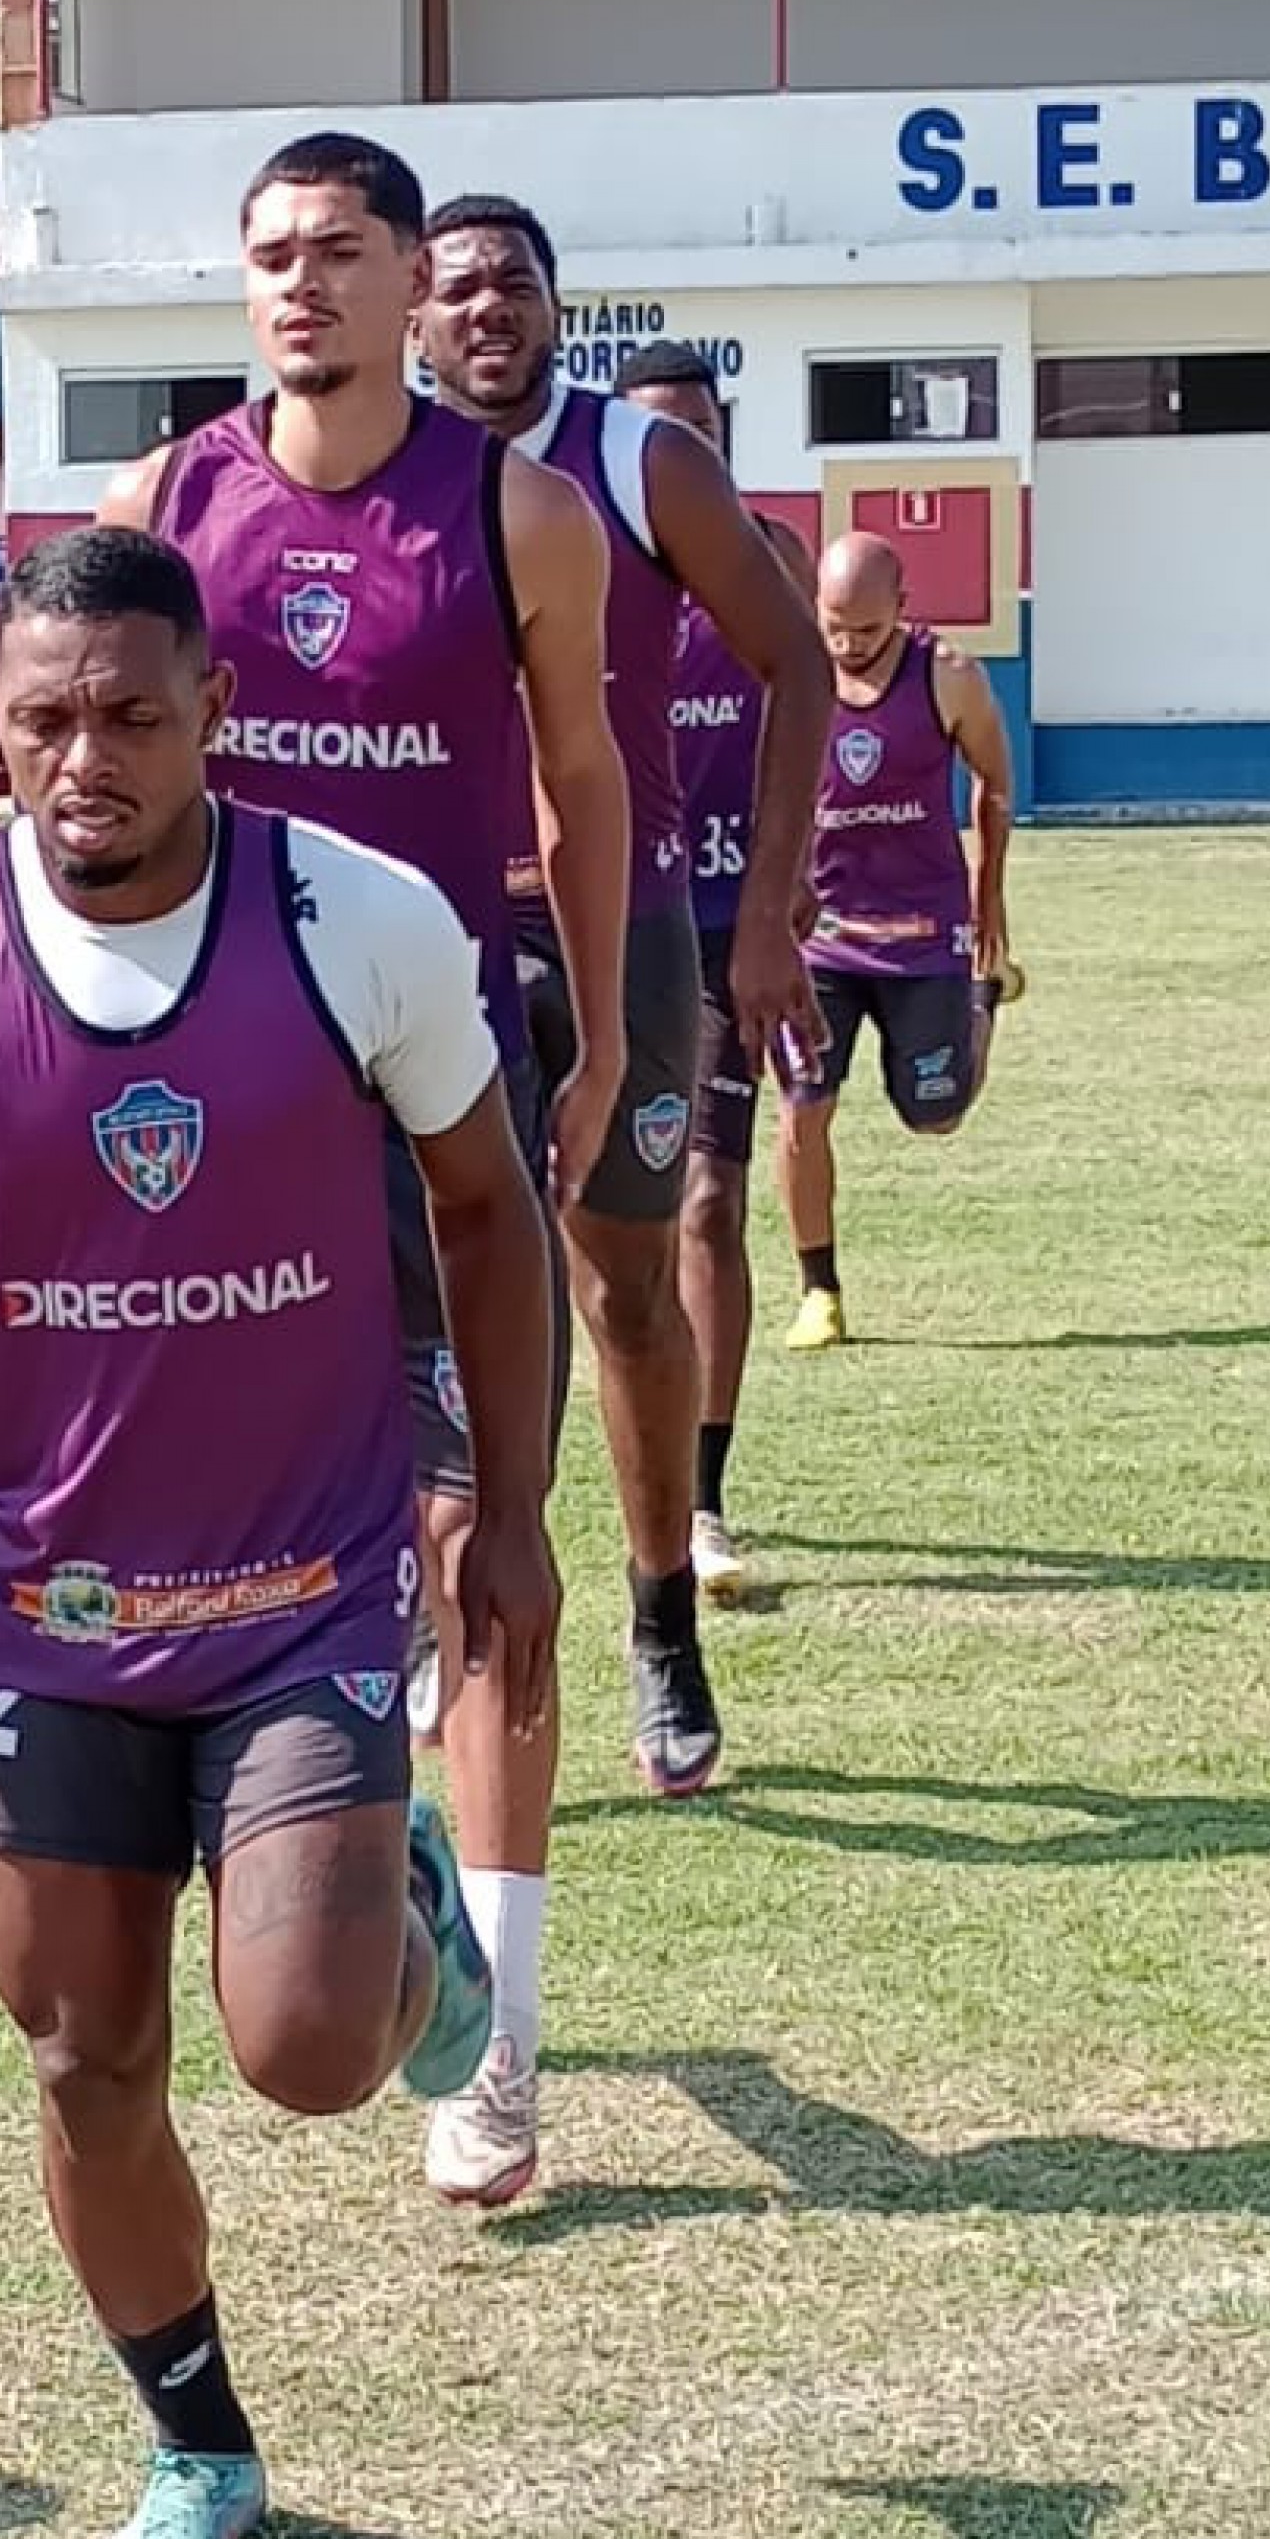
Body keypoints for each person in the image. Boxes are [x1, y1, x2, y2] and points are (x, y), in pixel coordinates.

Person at [0, 528, 561, 2539]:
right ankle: (202, 2454)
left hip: (304, 1583)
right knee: (84, 2062)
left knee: (313, 2046)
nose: (87, 762)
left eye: (134, 719)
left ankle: (408, 1921)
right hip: (51, 1609)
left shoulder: (359, 919)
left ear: (210, 722)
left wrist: (501, 1501)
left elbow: (490, 1216)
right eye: (46, 718)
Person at [99, 133, 633, 2211]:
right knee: (198, 1545)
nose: (298, 284)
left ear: (417, 279)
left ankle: (493, 2036)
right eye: (267, 258)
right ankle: (298, 1877)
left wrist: (591, 1043)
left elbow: (582, 782)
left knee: (492, 1544)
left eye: (337, 252)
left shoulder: (520, 512)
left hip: (442, 1115)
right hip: (214, 1128)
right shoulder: (169, 505)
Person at [417, 202, 831, 1728]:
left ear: (554, 308)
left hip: (624, 936)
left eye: (513, 286)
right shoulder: (372, 483)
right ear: (414, 314)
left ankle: (664, 1619)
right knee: (420, 1308)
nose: (486, 311)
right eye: (455, 289)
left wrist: (773, 908)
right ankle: (442, 1622)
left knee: (627, 1294)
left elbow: (798, 662)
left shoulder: (643, 464)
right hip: (425, 941)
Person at [611, 341, 817, 1601]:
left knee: (705, 1204)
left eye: (696, 428)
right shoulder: (570, 549)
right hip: (596, 921)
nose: (676, 452)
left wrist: (783, 901)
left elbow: (810, 698)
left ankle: (702, 1500)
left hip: (720, 926)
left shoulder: (770, 565)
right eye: (653, 431)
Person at [781, 529, 1019, 1348]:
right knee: (804, 1109)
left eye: (867, 633)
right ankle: (820, 1290)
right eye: (834, 627)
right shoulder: (786, 669)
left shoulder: (949, 676)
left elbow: (994, 783)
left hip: (926, 936)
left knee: (936, 1115)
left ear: (904, 612)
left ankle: (982, 1010)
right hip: (820, 944)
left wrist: (990, 911)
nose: (847, 646)